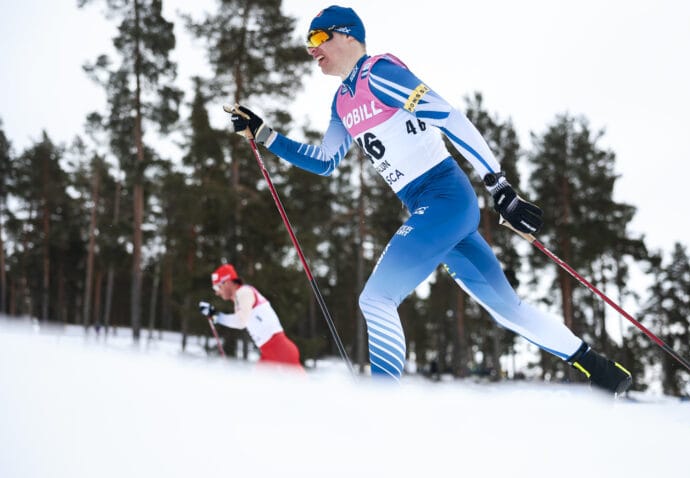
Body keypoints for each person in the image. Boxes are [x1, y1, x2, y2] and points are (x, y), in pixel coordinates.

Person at [229, 5, 631, 393]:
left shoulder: (379, 73)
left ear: (348, 37)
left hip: (445, 196)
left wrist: (499, 185)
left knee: (377, 298)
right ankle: (605, 374)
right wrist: (265, 135)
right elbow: (324, 161)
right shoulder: (341, 102)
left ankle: (385, 407)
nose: (312, 49)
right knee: (508, 309)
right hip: (433, 208)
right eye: (307, 42)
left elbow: (450, 117)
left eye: (318, 37)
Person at [199, 263, 303, 370]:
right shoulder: (238, 298)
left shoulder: (244, 292)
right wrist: (214, 316)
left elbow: (240, 322)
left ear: (228, 282)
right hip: (269, 353)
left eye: (217, 286)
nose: (217, 292)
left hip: (281, 352)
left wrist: (216, 316)